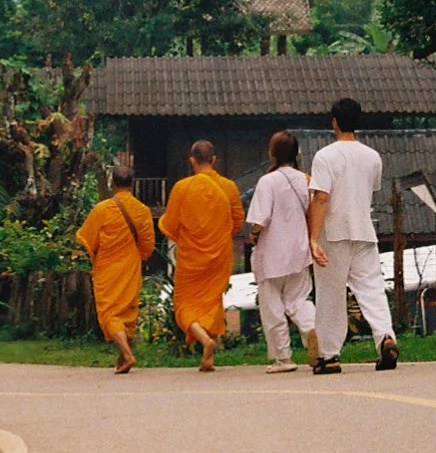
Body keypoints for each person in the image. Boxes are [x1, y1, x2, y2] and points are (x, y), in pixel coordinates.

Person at [308, 97, 398, 374]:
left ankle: (330, 354)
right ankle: (385, 337)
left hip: (333, 232)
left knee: (331, 294)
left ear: (334, 121)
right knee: (371, 288)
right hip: (364, 229)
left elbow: (321, 198)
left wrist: (313, 237)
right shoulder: (372, 157)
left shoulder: (325, 156)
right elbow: (370, 191)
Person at [159, 139, 245, 371]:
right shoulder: (228, 187)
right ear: (214, 160)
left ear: (192, 161)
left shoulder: (182, 188)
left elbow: (170, 224)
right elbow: (237, 221)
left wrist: (185, 235)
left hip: (191, 257)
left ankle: (205, 340)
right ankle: (208, 358)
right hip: (220, 254)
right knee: (212, 302)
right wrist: (217, 233)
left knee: (183, 305)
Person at [247, 130, 320, 373]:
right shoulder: (306, 180)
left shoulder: (267, 182)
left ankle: (283, 358)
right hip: (298, 251)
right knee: (299, 300)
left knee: (273, 308)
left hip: (271, 255)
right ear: (296, 152)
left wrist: (254, 234)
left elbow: (260, 219)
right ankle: (312, 329)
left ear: (272, 153)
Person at [76, 164, 156, 373]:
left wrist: (97, 255)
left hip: (108, 268)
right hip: (131, 266)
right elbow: (147, 246)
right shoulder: (142, 211)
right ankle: (122, 358)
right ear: (132, 184)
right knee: (127, 311)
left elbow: (87, 239)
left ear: (112, 183)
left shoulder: (102, 209)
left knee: (109, 313)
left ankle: (127, 355)